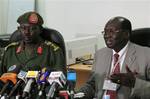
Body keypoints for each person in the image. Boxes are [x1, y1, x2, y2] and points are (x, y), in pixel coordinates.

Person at [78, 16, 150, 99]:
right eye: (105, 32)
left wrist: (134, 83)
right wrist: (80, 94)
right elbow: (92, 84)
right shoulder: (100, 54)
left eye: (111, 32)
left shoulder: (146, 55)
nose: (106, 36)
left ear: (126, 34)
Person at [0, 11, 66, 98]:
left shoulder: (53, 51)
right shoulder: (9, 51)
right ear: (18, 29)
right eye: (23, 28)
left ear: (40, 30)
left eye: (32, 29)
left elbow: (61, 85)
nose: (26, 32)